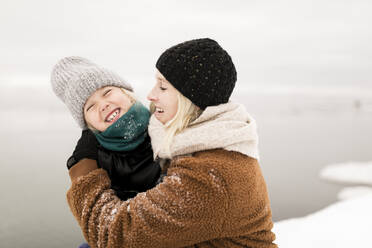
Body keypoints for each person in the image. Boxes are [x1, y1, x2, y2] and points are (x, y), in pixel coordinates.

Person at [66, 38, 277, 248]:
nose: (150, 95)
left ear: (189, 99)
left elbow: (115, 234)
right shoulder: (202, 142)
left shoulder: (210, 175)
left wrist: (83, 167)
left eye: (163, 87)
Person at [51, 57, 162, 247]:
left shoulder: (166, 124)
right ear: (88, 124)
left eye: (107, 92)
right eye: (90, 107)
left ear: (126, 93)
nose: (103, 104)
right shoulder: (93, 158)